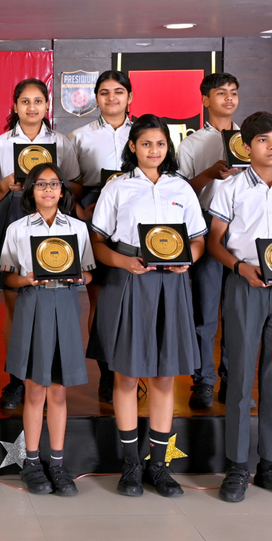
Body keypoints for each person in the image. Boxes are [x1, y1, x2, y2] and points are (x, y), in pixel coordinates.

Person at [88, 114, 206, 498]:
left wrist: (188, 258)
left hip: (171, 283)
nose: (154, 150)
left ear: (168, 147)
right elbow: (97, 243)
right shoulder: (118, 188)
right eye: (146, 144)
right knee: (125, 375)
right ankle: (130, 465)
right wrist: (124, 262)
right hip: (130, 279)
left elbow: (198, 240)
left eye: (160, 143)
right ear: (133, 147)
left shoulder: (181, 188)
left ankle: (159, 465)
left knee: (164, 376)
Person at [207, 111, 272, 503]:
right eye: (263, 140)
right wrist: (240, 268)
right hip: (244, 285)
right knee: (239, 378)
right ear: (247, 146)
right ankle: (238, 466)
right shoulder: (230, 188)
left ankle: (271, 465)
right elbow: (215, 243)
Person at [0, 78, 81, 411]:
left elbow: (76, 186)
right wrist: (5, 185)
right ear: (15, 106)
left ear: (47, 105)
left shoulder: (61, 143)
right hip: (13, 216)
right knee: (15, 307)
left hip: (52, 221)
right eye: (24, 101)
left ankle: (47, 376)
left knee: (52, 303)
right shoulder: (0, 144)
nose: (31, 107)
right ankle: (16, 381)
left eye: (38, 101)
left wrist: (54, 189)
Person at [0, 163, 93, 497]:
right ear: (31, 191)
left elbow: (88, 273)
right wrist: (26, 279)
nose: (48, 190)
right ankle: (32, 463)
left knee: (58, 389)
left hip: (65, 303)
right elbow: (7, 277)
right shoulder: (18, 229)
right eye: (41, 184)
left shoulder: (77, 229)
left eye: (54, 184)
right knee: (34, 388)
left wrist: (78, 277)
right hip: (32, 303)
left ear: (63, 190)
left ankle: (57, 463)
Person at [69, 70, 135, 405]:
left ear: (130, 97)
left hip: (135, 213)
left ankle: (133, 369)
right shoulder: (79, 136)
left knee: (133, 297)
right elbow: (70, 184)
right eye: (104, 92)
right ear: (96, 98)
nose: (112, 98)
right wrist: (81, 211)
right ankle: (107, 372)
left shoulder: (143, 133)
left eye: (118, 91)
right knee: (100, 298)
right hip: (95, 210)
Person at [176, 73, 241, 409]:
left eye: (233, 93)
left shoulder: (251, 140)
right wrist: (209, 174)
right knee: (204, 311)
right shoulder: (191, 144)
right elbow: (180, 191)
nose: (228, 99)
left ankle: (233, 381)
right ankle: (202, 381)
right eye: (220, 93)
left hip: (242, 228)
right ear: (205, 100)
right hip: (205, 224)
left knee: (238, 313)